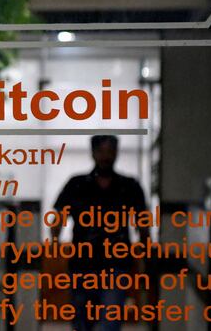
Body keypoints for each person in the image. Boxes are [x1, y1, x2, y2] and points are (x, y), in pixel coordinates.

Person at [51, 135, 149, 331]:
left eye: (110, 151)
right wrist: (55, 247)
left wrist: (145, 257)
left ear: (116, 154)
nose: (106, 156)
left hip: (117, 263)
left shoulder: (129, 186)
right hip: (82, 263)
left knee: (110, 323)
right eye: (101, 151)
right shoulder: (77, 184)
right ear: (93, 153)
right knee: (82, 321)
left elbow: (143, 225)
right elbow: (58, 220)